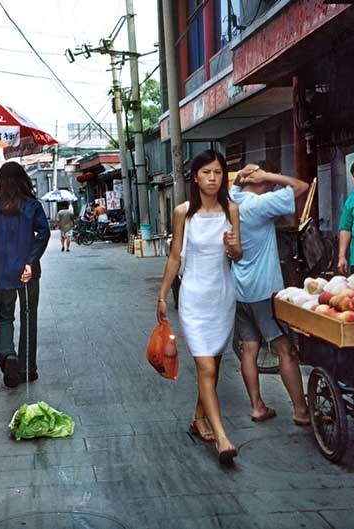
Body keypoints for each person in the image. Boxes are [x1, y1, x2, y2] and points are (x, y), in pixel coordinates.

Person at [157, 149, 242, 465]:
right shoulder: (183, 213)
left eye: (218, 173)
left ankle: (198, 419)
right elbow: (175, 256)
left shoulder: (231, 209)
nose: (212, 178)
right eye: (206, 172)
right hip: (192, 297)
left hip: (222, 296)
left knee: (214, 367)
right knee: (206, 368)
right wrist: (162, 295)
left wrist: (233, 248)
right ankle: (222, 438)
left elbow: (238, 255)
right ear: (196, 177)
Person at [230, 161, 311, 426]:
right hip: (263, 290)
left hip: (239, 289)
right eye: (268, 182)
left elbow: (235, 187)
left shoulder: (234, 200)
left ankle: (257, 406)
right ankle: (300, 410)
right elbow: (302, 186)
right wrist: (269, 174)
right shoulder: (259, 205)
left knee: (249, 349)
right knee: (285, 350)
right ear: (261, 182)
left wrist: (243, 177)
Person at [0, 161, 50, 388]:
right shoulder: (31, 204)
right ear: (23, 179)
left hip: (1, 271)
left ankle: (9, 356)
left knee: (5, 318)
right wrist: (29, 260)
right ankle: (28, 369)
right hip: (27, 272)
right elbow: (43, 233)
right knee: (29, 317)